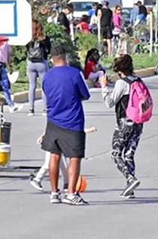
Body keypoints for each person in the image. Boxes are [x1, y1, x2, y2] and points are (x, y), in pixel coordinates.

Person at [41, 45, 91, 205]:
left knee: (54, 156)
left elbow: (47, 94)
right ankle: (71, 193)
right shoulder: (74, 74)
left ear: (52, 59)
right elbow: (85, 94)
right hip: (73, 122)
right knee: (74, 158)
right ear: (66, 56)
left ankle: (54, 193)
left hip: (53, 121)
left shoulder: (47, 76)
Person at [101, 55, 148, 199]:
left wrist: (104, 86)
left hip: (124, 123)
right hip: (138, 122)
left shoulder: (121, 83)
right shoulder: (137, 80)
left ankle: (130, 179)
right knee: (129, 154)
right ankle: (130, 189)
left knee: (115, 154)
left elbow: (109, 102)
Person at [26, 20, 51, 116]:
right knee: (44, 86)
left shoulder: (28, 38)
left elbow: (26, 49)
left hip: (31, 63)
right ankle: (45, 109)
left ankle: (31, 109)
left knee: (32, 86)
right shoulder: (44, 38)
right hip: (41, 63)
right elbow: (49, 50)